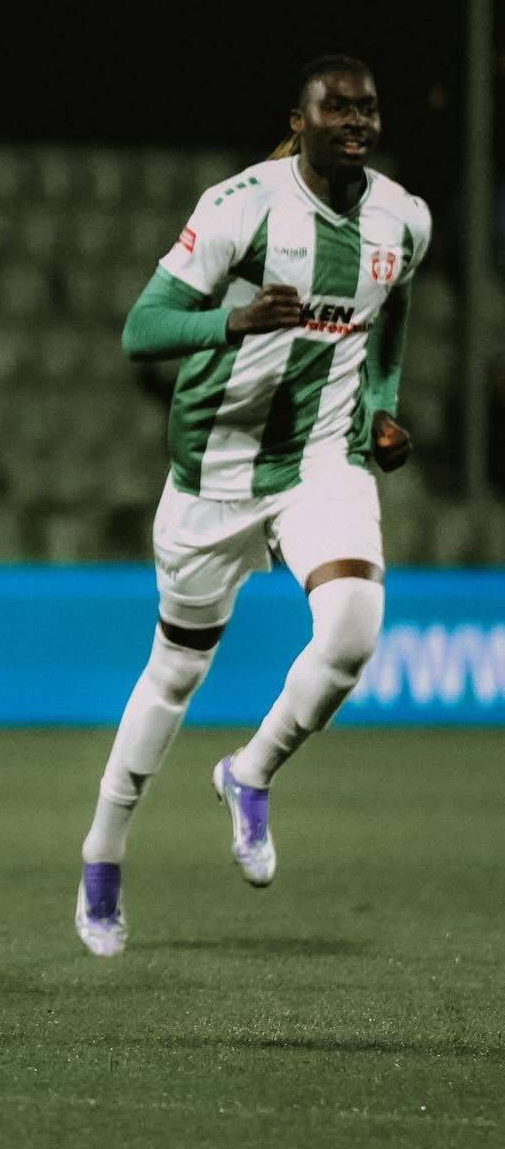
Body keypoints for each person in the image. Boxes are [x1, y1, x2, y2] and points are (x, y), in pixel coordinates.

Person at [75, 56, 430, 956]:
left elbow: (390, 316)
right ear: (299, 120)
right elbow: (142, 329)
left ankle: (250, 772)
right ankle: (103, 852)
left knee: (353, 629)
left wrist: (381, 405)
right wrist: (229, 322)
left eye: (366, 108)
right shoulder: (243, 207)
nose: (355, 120)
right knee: (174, 675)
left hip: (321, 462)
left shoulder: (404, 219)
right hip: (215, 470)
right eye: (335, 108)